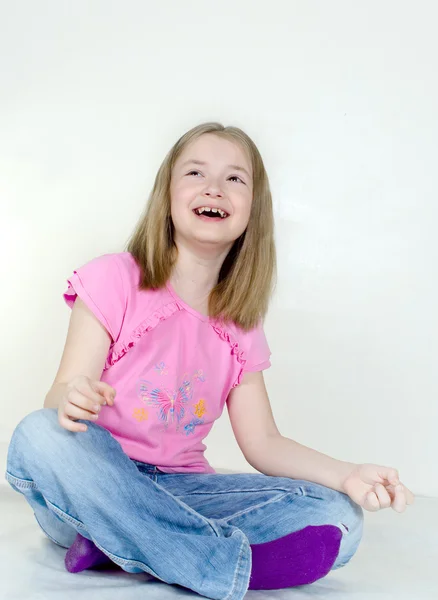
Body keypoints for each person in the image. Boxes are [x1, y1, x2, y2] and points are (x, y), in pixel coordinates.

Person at [5, 122, 414, 600]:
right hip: (91, 485)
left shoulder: (240, 323)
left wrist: (347, 474)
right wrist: (71, 397)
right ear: (168, 195)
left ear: (252, 210)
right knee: (39, 433)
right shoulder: (114, 278)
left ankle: (122, 543)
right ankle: (213, 565)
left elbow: (263, 442)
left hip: (181, 492)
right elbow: (60, 395)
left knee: (339, 514)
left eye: (234, 179)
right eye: (195, 172)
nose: (213, 187)